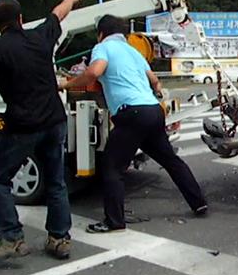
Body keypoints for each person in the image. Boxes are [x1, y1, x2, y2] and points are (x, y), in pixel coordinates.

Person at [60, 15, 208, 233]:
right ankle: (198, 202)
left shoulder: (102, 48)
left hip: (132, 113)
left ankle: (114, 221)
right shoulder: (133, 51)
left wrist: (67, 84)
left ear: (101, 33)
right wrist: (157, 92)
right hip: (153, 110)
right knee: (170, 160)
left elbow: (94, 72)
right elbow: (154, 80)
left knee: (111, 167)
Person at [0, 0, 81, 263]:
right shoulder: (41, 37)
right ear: (21, 18)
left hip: (23, 126)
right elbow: (58, 12)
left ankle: (11, 239)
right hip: (55, 120)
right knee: (56, 181)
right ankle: (59, 238)